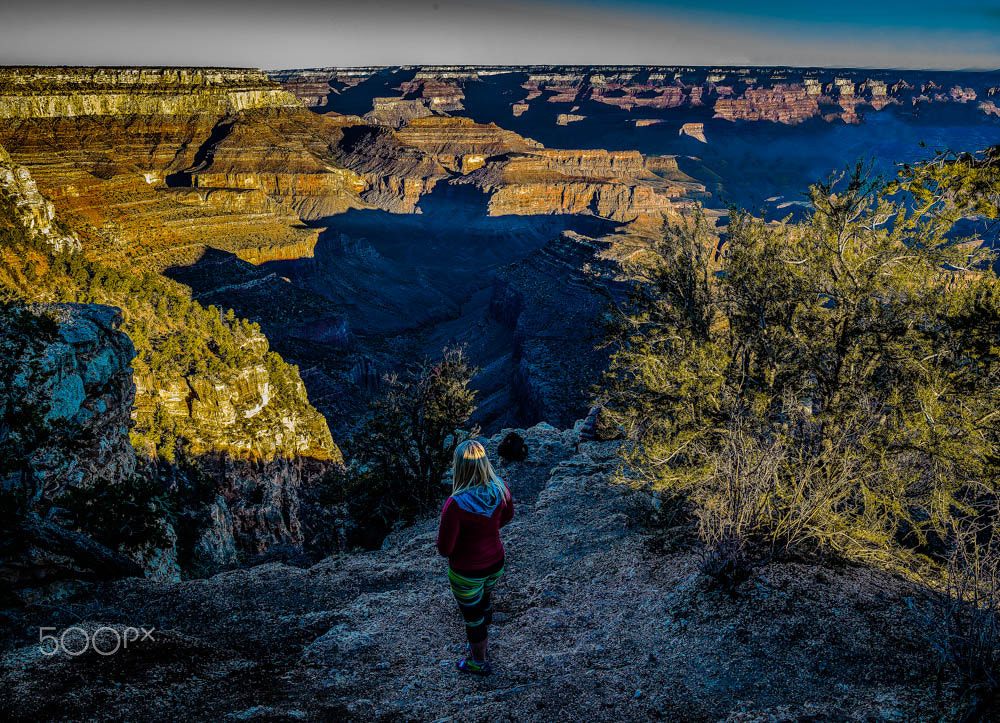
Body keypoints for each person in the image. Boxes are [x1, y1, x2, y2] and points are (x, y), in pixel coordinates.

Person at [436, 439, 514, 676]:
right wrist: (487, 531)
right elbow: (507, 517)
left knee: (473, 619)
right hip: (496, 562)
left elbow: (445, 549)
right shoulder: (500, 487)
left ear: (459, 466)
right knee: (484, 597)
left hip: (467, 572)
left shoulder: (455, 504)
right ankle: (485, 620)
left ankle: (477, 662)